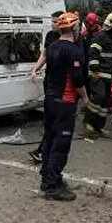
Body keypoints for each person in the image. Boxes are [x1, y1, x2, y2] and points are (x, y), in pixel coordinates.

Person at [39, 12, 91, 201]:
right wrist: (85, 98)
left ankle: (47, 177)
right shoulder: (73, 51)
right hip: (65, 101)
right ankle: (52, 185)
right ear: (75, 29)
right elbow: (77, 78)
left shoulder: (52, 46)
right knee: (61, 144)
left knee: (49, 140)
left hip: (51, 99)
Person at [28, 10, 66, 163]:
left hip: (62, 83)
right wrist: (35, 69)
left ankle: (45, 150)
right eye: (52, 21)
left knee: (55, 118)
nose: (53, 24)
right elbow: (44, 54)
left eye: (56, 21)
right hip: (50, 80)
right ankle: (47, 148)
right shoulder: (50, 36)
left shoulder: (70, 39)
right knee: (50, 116)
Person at [85, 12, 112, 139]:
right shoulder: (100, 37)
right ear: (111, 25)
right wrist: (95, 70)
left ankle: (99, 126)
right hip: (98, 74)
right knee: (98, 97)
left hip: (108, 75)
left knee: (106, 103)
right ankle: (89, 122)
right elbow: (93, 54)